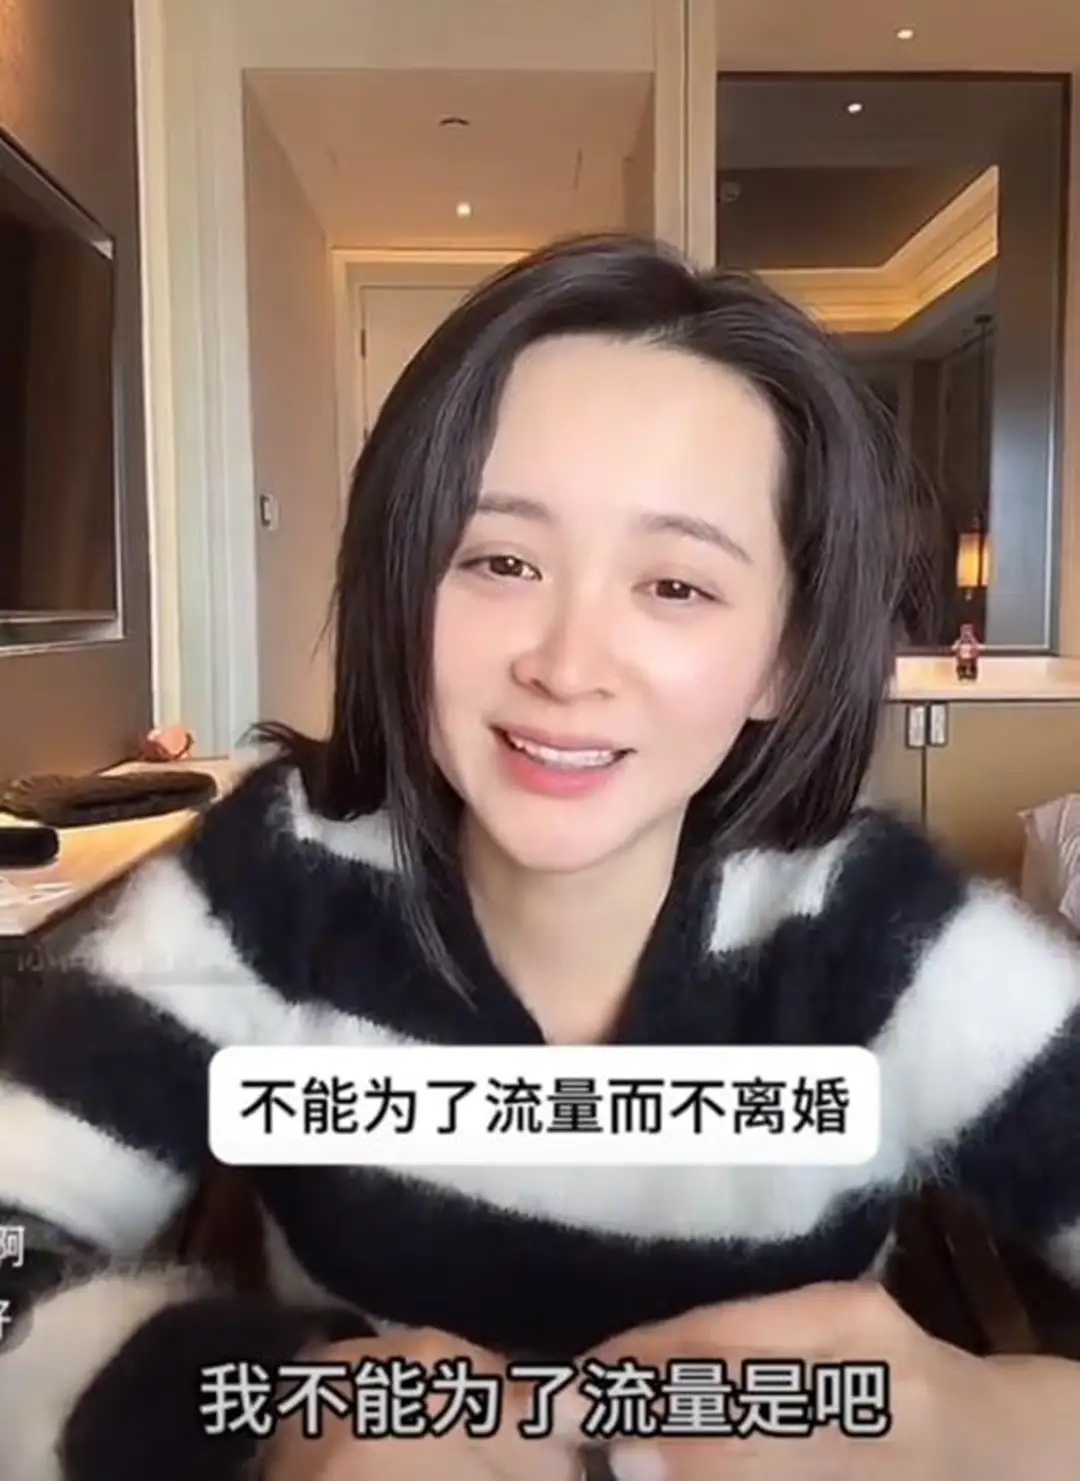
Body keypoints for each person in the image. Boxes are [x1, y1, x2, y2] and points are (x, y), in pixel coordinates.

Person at [0, 233, 1078, 1481]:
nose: (567, 666)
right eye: (500, 560)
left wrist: (967, 1423)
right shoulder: (275, 880)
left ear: (784, 656)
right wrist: (292, 1418)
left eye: (676, 585)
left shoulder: (881, 931)